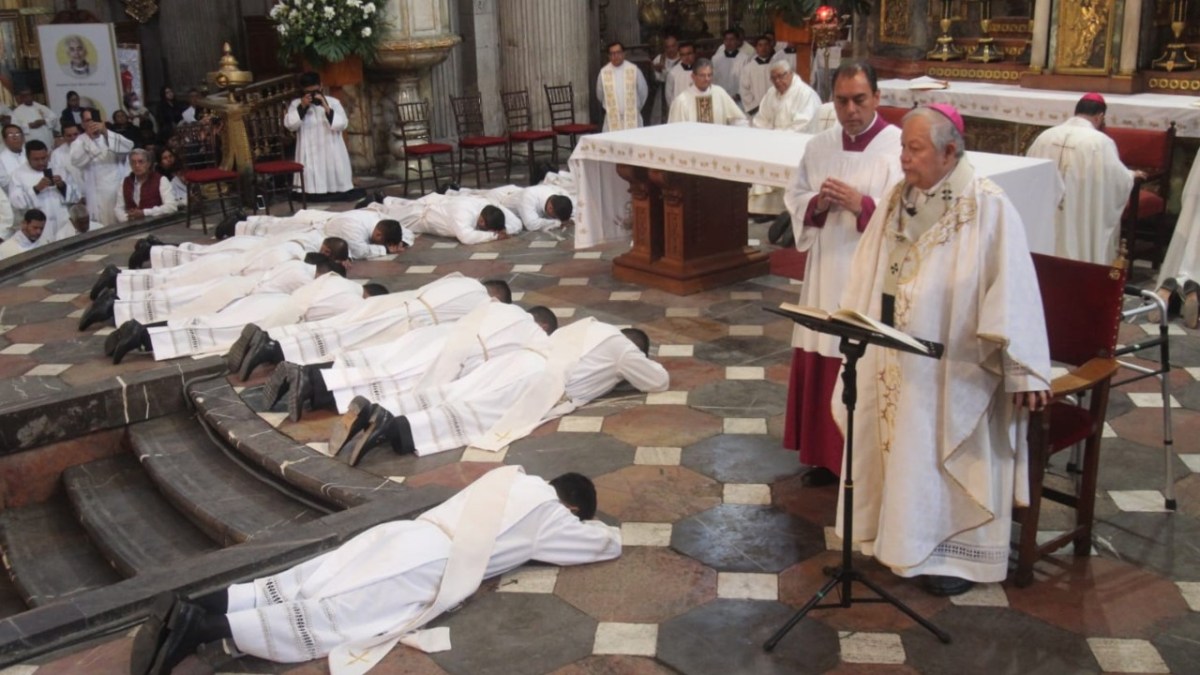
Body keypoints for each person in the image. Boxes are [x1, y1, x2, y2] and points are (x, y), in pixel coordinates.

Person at [837, 104, 1050, 596]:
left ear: (949, 152)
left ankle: (951, 556)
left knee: (938, 455)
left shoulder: (988, 206)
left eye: (914, 149)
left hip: (955, 368)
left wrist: (1023, 371)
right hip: (893, 356)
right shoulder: (898, 197)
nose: (904, 159)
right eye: (903, 148)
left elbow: (1014, 288)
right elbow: (870, 266)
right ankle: (895, 539)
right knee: (898, 449)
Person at [129, 466, 620, 674]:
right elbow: (601, 546)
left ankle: (195, 605)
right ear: (573, 507)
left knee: (307, 579)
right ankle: (202, 629)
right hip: (429, 564)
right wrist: (602, 528)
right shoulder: (551, 514)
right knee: (337, 613)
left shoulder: (507, 476)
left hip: (402, 533)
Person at [778, 62, 904, 487]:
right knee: (822, 345)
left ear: (877, 97)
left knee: (857, 355)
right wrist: (817, 204)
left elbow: (907, 217)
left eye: (859, 99)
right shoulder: (819, 146)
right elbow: (795, 196)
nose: (850, 110)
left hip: (866, 274)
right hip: (826, 267)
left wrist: (862, 205)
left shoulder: (898, 148)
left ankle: (861, 460)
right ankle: (823, 455)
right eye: (842, 100)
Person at [341, 319, 669, 462]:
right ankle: (394, 429)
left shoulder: (590, 326)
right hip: (542, 379)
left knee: (457, 391)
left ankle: (379, 409)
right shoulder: (622, 347)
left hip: (518, 359)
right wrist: (626, 369)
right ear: (634, 346)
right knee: (480, 412)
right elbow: (658, 381)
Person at [109, 258, 362, 365]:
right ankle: (141, 335)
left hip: (265, 300)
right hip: (275, 314)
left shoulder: (327, 280)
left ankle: (142, 330)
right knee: (210, 333)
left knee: (205, 321)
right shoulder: (353, 300)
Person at [1025, 92, 1136, 265]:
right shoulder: (1100, 142)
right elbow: (1117, 180)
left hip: (1048, 209)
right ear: (1100, 117)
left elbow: (1030, 173)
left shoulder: (1045, 136)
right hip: (1080, 207)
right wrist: (1130, 175)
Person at [748, 59, 822, 215]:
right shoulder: (771, 93)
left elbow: (803, 124)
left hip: (798, 144)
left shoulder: (805, 94)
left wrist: (778, 137)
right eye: (773, 78)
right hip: (775, 141)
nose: (777, 81)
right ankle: (763, 209)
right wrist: (768, 136)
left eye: (781, 76)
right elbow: (761, 119)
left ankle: (785, 210)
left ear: (790, 74)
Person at [284, 72, 354, 198]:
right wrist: (303, 106)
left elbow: (342, 124)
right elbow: (290, 125)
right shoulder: (296, 104)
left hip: (331, 148)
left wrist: (326, 107)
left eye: (315, 91)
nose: (312, 95)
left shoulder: (333, 102)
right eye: (308, 92)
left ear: (321, 86)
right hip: (309, 151)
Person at [71, 109, 134, 226]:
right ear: (83, 124)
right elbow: (76, 161)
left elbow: (129, 146)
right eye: (88, 121)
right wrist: (90, 140)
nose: (92, 124)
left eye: (94, 120)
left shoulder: (109, 135)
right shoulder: (79, 141)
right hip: (97, 193)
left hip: (117, 188)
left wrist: (105, 132)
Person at [8, 139, 78, 242]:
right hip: (39, 227)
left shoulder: (59, 169)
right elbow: (17, 203)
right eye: (36, 159)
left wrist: (62, 186)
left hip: (62, 221)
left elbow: (77, 195)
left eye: (44, 158)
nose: (41, 162)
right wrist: (36, 189)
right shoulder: (18, 175)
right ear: (28, 158)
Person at [372, 194, 510, 244]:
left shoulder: (483, 208)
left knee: (399, 206)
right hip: (420, 217)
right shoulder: (463, 214)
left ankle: (384, 199)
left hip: (429, 208)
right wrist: (494, 236)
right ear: (481, 222)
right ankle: (370, 204)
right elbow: (466, 237)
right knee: (386, 217)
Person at [668, 59, 748, 126]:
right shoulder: (682, 101)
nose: (707, 79)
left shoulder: (719, 93)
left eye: (709, 75)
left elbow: (738, 119)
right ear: (693, 76)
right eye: (702, 75)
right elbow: (676, 130)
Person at [595, 41, 648, 132]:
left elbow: (643, 92)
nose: (616, 56)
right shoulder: (603, 73)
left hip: (632, 118)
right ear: (609, 56)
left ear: (623, 54)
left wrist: (634, 108)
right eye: (612, 53)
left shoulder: (634, 70)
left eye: (618, 52)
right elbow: (600, 94)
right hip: (612, 118)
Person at [115, 148, 176, 223]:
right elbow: (118, 208)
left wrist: (144, 213)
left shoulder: (161, 180)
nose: (137, 165)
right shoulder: (125, 182)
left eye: (141, 162)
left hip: (156, 225)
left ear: (148, 164)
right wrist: (127, 218)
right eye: (133, 162)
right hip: (131, 227)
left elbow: (171, 207)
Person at [711, 29, 751, 109]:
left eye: (732, 39)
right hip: (720, 98)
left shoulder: (745, 59)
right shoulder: (716, 59)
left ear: (737, 41)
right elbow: (712, 78)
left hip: (738, 100)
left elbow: (747, 79)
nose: (729, 42)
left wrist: (738, 95)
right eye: (726, 40)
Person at [739, 35, 777, 116]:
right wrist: (754, 107)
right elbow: (744, 89)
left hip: (775, 108)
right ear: (756, 48)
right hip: (756, 110)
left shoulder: (778, 66)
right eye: (760, 45)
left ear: (770, 47)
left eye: (766, 45)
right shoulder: (748, 68)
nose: (763, 48)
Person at [650, 34, 681, 124]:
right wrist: (656, 72)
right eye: (668, 47)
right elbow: (653, 81)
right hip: (662, 95)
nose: (670, 49)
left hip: (678, 90)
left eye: (673, 46)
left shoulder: (683, 59)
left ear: (677, 46)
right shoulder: (659, 59)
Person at [664, 41, 697, 110]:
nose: (686, 57)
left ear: (694, 54)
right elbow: (669, 96)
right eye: (683, 55)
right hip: (680, 110)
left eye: (689, 54)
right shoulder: (673, 73)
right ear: (679, 55)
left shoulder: (702, 70)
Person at [0, 125, 26, 191]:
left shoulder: (32, 152)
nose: (15, 137)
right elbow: (4, 184)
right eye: (10, 135)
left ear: (23, 138)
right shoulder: (1, 159)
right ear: (4, 140)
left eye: (18, 134)